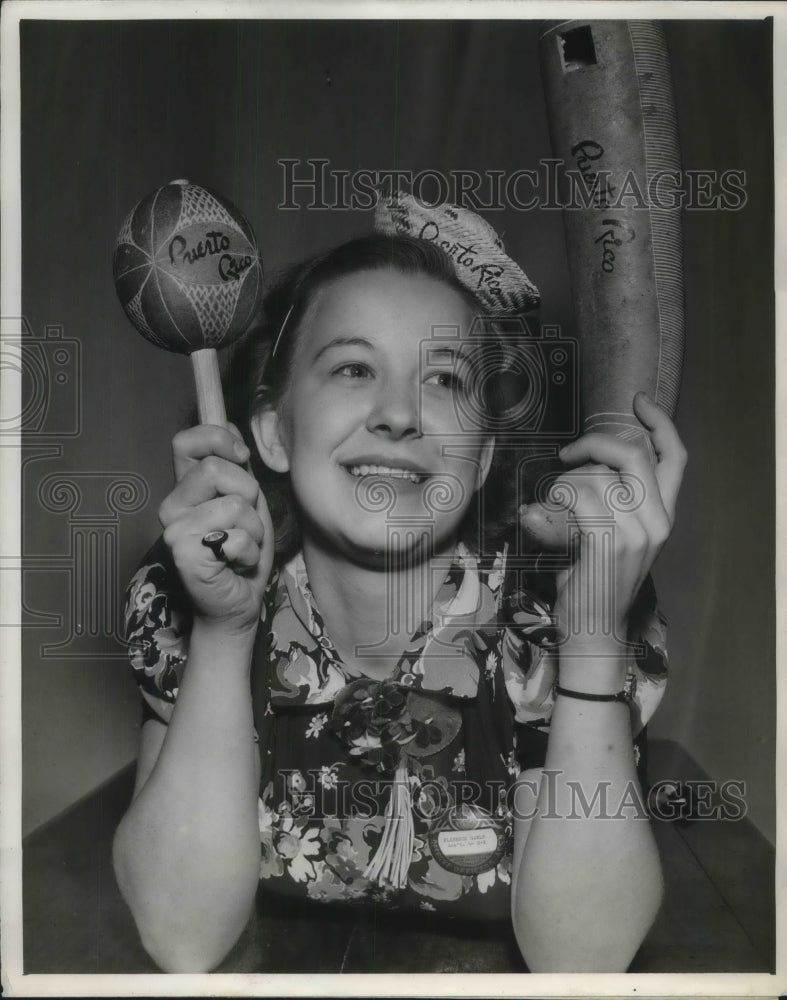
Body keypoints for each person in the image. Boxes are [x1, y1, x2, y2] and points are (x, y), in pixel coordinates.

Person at [112, 194, 686, 974]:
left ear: (480, 458)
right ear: (274, 432)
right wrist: (224, 632)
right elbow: (183, 940)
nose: (398, 414)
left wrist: (589, 637)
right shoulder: (185, 599)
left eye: (444, 378)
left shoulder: (543, 615)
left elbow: (581, 964)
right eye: (353, 367)